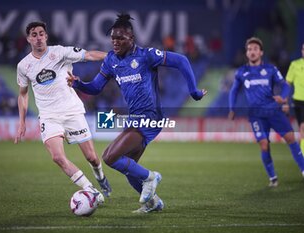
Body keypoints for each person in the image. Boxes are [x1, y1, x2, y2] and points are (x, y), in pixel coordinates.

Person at [67, 14, 207, 213]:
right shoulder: (110, 61)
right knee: (129, 167)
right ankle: (153, 203)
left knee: (109, 157)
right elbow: (96, 87)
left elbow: (182, 61)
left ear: (131, 39)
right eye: (113, 38)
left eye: (120, 38)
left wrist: (193, 91)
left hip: (150, 117)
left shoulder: (146, 55)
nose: (115, 42)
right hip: (135, 117)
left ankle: (151, 177)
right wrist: (79, 84)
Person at [14, 21, 112, 201]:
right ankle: (91, 191)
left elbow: (89, 55)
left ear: (46, 36)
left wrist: (112, 56)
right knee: (58, 157)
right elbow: (23, 94)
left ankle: (100, 177)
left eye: (41, 33)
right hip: (49, 116)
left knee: (91, 157)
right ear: (28, 39)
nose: (38, 38)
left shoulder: (59, 52)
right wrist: (21, 121)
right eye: (34, 35)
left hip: (72, 111)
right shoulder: (23, 66)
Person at [228, 37, 304, 187]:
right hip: (256, 115)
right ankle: (273, 177)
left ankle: (303, 169)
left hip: (274, 112)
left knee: (291, 139)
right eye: (249, 49)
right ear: (247, 53)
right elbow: (233, 91)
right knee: (264, 144)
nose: (252, 52)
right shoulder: (242, 72)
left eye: (255, 49)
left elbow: (285, 86)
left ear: (261, 52)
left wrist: (283, 98)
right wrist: (232, 108)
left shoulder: (270, 69)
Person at [286, 43, 304, 153]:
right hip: (299, 101)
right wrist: (285, 101)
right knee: (303, 128)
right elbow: (287, 84)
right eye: (303, 49)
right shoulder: (295, 64)